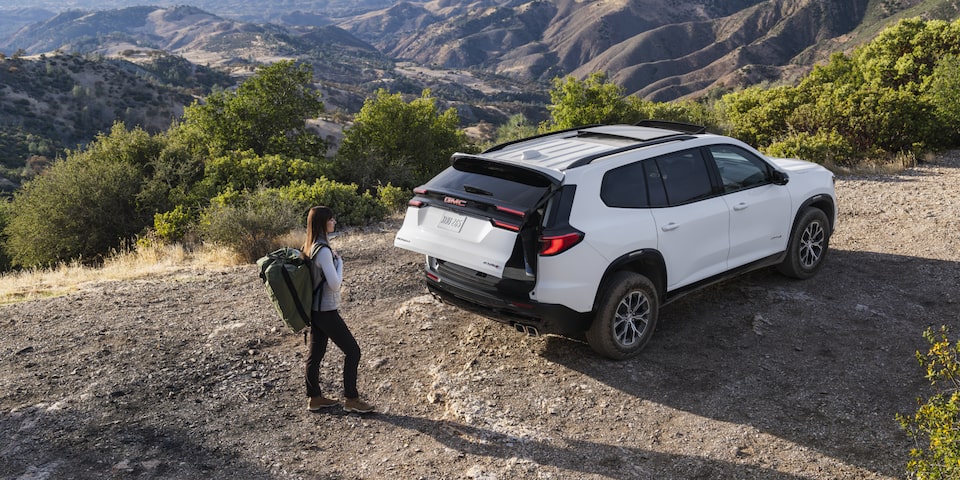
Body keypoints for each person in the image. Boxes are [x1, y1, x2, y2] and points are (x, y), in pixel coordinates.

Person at [302, 206, 375, 414]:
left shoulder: (310, 245)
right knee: (353, 351)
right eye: (331, 219)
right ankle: (351, 399)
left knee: (315, 355)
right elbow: (334, 284)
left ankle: (314, 398)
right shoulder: (323, 250)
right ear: (323, 223)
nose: (334, 222)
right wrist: (340, 263)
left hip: (316, 311)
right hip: (326, 311)